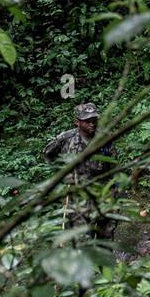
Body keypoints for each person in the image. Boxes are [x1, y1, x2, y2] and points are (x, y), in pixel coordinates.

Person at [44, 102, 118, 238]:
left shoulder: (105, 138)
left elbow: (113, 166)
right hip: (78, 195)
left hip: (103, 192)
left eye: (94, 120)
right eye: (87, 121)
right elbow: (48, 153)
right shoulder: (66, 139)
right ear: (77, 122)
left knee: (106, 234)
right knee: (82, 237)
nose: (92, 124)